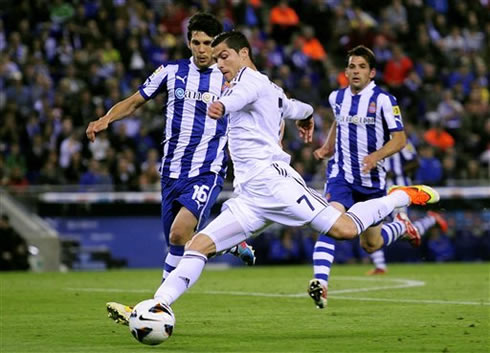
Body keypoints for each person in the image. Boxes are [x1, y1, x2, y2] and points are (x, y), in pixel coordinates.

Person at [150, 31, 440, 313]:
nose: (219, 64)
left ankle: (399, 198)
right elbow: (296, 107)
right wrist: (309, 116)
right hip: (250, 196)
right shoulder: (271, 89)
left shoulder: (249, 83)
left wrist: (221, 106)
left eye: (223, 57)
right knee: (198, 246)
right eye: (215, 59)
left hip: (277, 184)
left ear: (243, 53)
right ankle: (158, 306)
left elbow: (239, 97)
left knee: (345, 229)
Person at [85, 14, 255, 325]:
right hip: (172, 174)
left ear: (217, 45)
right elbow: (135, 101)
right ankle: (228, 241)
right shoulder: (171, 72)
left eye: (207, 43)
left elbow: (263, 99)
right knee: (183, 244)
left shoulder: (232, 77)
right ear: (188, 42)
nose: (202, 49)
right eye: (196, 42)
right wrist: (106, 119)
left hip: (208, 170)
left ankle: (154, 308)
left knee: (179, 234)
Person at [309, 45, 428, 308]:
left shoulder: (385, 100)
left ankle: (402, 227)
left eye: (362, 67)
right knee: (329, 220)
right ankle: (321, 282)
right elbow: (339, 122)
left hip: (372, 182)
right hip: (341, 176)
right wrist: (328, 147)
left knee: (371, 245)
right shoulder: (336, 98)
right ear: (345, 71)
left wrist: (376, 156)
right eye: (352, 66)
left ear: (372, 72)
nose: (356, 71)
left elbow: (400, 139)